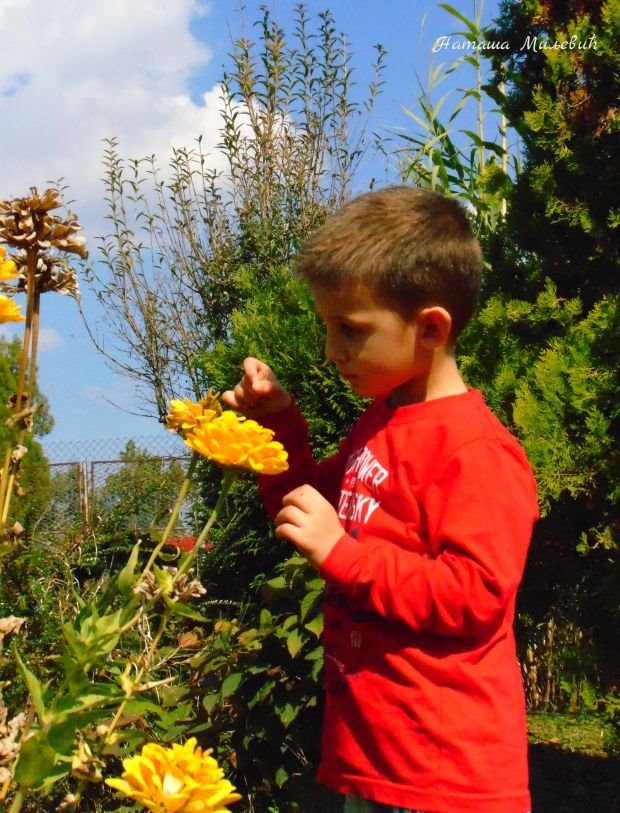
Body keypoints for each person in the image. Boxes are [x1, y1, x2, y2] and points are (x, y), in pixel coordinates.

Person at [222, 186, 538, 813]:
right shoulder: (382, 424)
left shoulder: (475, 452)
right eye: (328, 326)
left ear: (430, 328)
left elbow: (473, 596)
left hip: (444, 776)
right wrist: (277, 425)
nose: (332, 349)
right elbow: (303, 510)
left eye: (351, 329)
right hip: (375, 762)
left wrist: (345, 556)